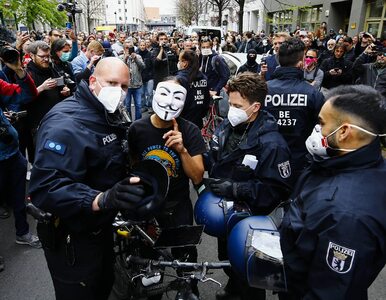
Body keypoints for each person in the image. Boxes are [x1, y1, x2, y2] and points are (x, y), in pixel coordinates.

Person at [28, 57, 147, 300]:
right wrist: (100, 198)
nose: (119, 92)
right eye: (112, 83)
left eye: (124, 87)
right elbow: (45, 186)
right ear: (93, 81)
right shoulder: (65, 124)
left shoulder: (105, 112)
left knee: (103, 284)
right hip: (72, 238)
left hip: (100, 228)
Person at [280, 85, 386, 299]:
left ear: (345, 131)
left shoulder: (345, 216)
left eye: (321, 123)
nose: (316, 129)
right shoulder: (341, 163)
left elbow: (330, 292)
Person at [207, 72, 292, 300]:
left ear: (255, 107)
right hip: (226, 213)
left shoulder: (272, 144)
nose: (231, 109)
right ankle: (233, 286)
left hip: (252, 220)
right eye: (230, 102)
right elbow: (214, 155)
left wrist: (235, 189)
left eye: (237, 105)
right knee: (228, 258)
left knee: (250, 272)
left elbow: (277, 191)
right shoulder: (228, 125)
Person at [128, 77, 206, 299]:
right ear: (154, 94)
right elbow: (132, 167)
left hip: (178, 206)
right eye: (164, 94)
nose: (169, 102)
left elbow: (198, 176)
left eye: (177, 97)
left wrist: (182, 150)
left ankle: (190, 291)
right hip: (148, 210)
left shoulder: (189, 131)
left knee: (186, 264)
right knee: (150, 267)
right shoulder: (137, 129)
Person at [265, 38, 325, 179]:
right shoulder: (312, 94)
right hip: (300, 162)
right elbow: (323, 127)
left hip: (268, 160)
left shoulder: (263, 90)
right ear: (300, 63)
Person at [0, 40, 40, 249]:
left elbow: (27, 95)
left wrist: (19, 71)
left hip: (12, 152)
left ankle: (23, 233)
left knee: (18, 195)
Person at [176, 49, 210, 129]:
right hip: (197, 122)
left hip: (182, 122)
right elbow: (206, 101)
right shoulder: (204, 78)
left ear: (185, 63)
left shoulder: (180, 79)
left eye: (180, 61)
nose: (179, 63)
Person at [123, 41, 145, 120]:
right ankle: (129, 122)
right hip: (127, 86)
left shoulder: (138, 57)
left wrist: (135, 58)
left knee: (138, 105)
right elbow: (120, 69)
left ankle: (138, 122)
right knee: (127, 106)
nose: (129, 50)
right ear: (124, 49)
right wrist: (125, 58)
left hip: (137, 85)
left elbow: (143, 66)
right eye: (127, 48)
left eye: (130, 48)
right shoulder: (122, 57)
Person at [137, 40, 154, 112]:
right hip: (140, 77)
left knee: (150, 93)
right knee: (142, 93)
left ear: (146, 46)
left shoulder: (150, 54)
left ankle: (150, 106)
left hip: (149, 76)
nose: (142, 46)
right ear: (139, 46)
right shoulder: (136, 54)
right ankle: (143, 106)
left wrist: (151, 74)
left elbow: (153, 65)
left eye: (143, 45)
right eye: (141, 45)